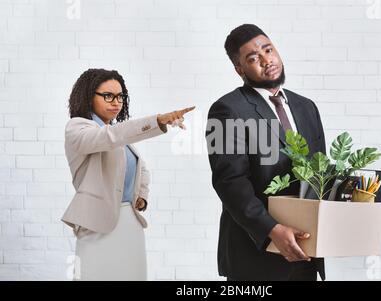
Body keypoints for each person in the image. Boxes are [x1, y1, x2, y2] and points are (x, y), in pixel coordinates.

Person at [206, 24, 326, 281]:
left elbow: (320, 172)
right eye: (253, 58)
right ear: (240, 69)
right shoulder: (226, 110)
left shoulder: (307, 107)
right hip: (256, 257)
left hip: (306, 253)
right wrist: (272, 229)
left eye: (268, 50)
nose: (266, 60)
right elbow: (230, 182)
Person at [62, 68, 194, 280]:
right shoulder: (78, 128)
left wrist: (141, 196)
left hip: (129, 223)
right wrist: (157, 120)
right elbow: (109, 137)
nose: (116, 102)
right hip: (97, 224)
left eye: (121, 96)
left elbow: (141, 167)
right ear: (89, 97)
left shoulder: (116, 132)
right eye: (108, 96)